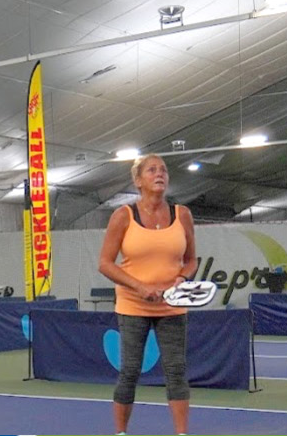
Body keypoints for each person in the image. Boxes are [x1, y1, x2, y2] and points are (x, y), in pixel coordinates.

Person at [96, 154, 198, 436]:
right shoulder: (123, 216)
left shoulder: (183, 215)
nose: (159, 174)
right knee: (129, 371)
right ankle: (121, 433)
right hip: (132, 306)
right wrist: (139, 287)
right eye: (152, 170)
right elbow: (105, 263)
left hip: (173, 307)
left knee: (176, 371)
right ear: (138, 180)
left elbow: (191, 260)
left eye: (163, 170)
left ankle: (181, 434)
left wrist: (180, 280)